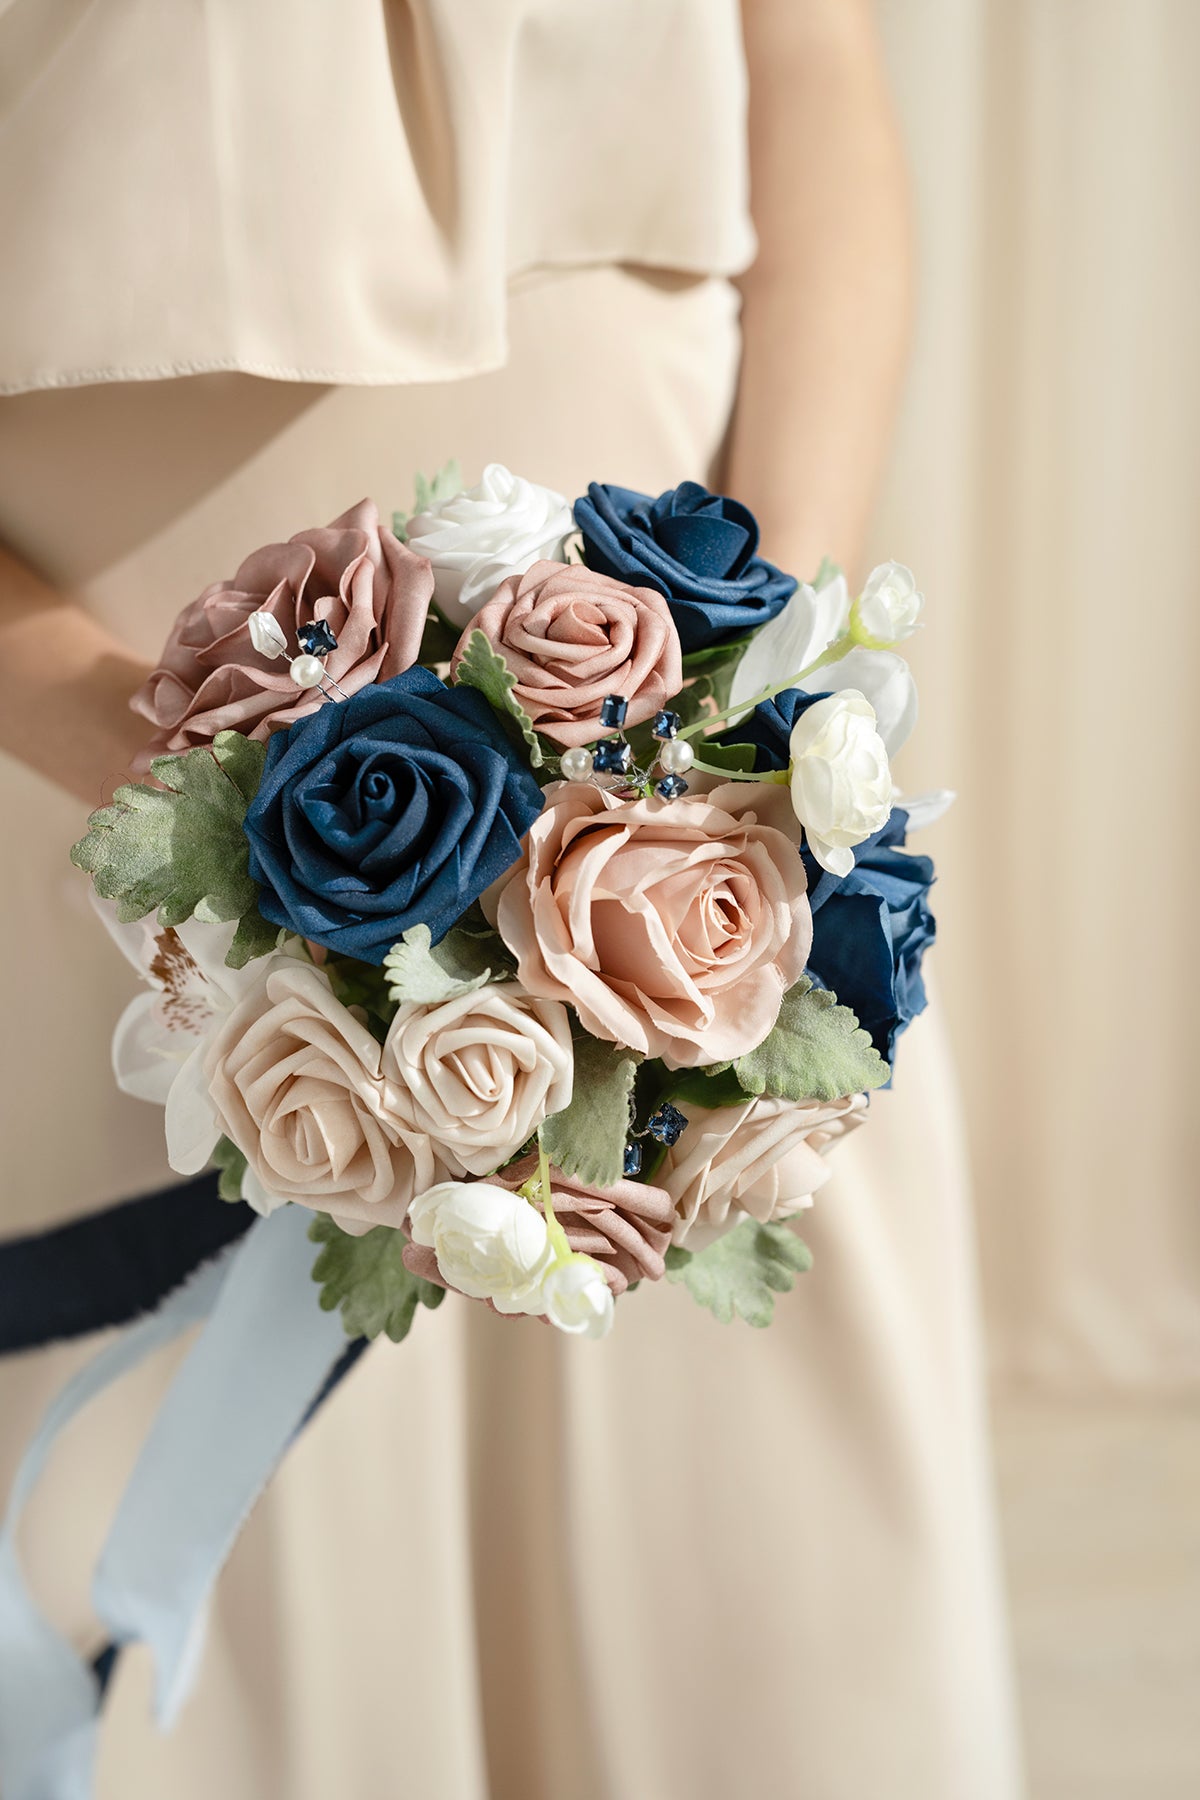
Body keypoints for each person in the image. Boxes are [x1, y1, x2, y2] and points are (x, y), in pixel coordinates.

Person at [0, 2, 1023, 1794]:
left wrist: (757, 680)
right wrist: (153, 759)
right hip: (94, 742)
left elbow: (816, 82)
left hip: (675, 709)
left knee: (724, 1558)